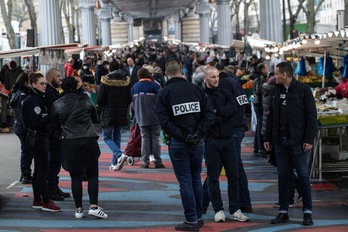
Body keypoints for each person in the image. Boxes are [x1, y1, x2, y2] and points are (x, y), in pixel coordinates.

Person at [156, 58, 215, 231]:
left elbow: (164, 122)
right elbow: (209, 115)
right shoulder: (196, 89)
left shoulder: (164, 93)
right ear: (182, 71)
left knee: (185, 181)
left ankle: (190, 220)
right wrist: (198, 134)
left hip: (179, 143)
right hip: (198, 142)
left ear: (166, 74)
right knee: (195, 178)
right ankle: (197, 216)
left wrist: (184, 136)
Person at [264, 62, 317, 226]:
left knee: (302, 175)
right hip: (280, 141)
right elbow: (270, 116)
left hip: (298, 141)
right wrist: (267, 138)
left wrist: (309, 139)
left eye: (276, 73)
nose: (274, 76)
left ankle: (307, 212)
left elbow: (311, 116)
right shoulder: (276, 90)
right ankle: (283, 211)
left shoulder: (303, 90)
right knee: (283, 176)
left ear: (285, 75)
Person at [51, 76, 107, 219]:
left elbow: (55, 125)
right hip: (88, 139)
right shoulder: (86, 100)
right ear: (76, 86)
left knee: (75, 177)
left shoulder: (57, 104)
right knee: (92, 175)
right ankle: (94, 206)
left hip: (69, 142)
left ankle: (79, 210)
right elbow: (96, 119)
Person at [203, 66, 249, 223]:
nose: (216, 79)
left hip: (228, 139)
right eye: (213, 77)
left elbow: (234, 109)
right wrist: (222, 115)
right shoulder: (202, 96)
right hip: (211, 140)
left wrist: (217, 112)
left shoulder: (226, 93)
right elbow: (206, 117)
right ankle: (218, 209)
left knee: (234, 175)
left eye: (217, 76)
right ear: (205, 79)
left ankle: (235, 209)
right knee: (213, 177)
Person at [22, 72, 61, 212]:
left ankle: (38, 199)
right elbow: (36, 122)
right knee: (42, 171)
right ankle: (45, 200)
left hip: (39, 137)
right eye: (41, 84)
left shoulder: (38, 98)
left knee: (39, 171)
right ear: (33, 84)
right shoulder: (33, 100)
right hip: (38, 138)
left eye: (45, 83)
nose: (44, 86)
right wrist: (50, 118)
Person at [97, 61, 132, 171]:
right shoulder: (125, 81)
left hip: (109, 113)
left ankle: (119, 155)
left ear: (109, 69)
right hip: (121, 112)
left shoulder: (105, 81)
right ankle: (115, 163)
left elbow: (100, 99)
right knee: (117, 137)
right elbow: (129, 98)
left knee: (107, 137)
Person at [131, 68, 164, 169]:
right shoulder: (155, 86)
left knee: (145, 139)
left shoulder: (135, 87)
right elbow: (162, 101)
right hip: (155, 117)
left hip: (141, 117)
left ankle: (145, 162)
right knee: (155, 138)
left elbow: (132, 103)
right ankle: (158, 161)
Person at [45, 68, 70, 201]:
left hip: (56, 132)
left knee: (56, 161)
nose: (61, 78)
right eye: (58, 76)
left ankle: (54, 187)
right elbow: (53, 113)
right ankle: (51, 189)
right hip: (52, 133)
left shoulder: (53, 91)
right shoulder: (49, 93)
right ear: (50, 78)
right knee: (53, 161)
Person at [9, 72, 33, 184]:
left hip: (18, 124)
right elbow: (23, 113)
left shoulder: (18, 92)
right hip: (22, 125)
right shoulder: (22, 94)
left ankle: (25, 173)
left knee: (26, 150)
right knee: (26, 151)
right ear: (25, 82)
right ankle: (26, 174)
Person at [250, 63, 267, 155]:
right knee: (260, 125)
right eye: (266, 68)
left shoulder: (256, 78)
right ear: (262, 69)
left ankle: (257, 146)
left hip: (257, 103)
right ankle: (260, 146)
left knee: (259, 125)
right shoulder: (260, 79)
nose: (267, 70)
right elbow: (260, 91)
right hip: (260, 103)